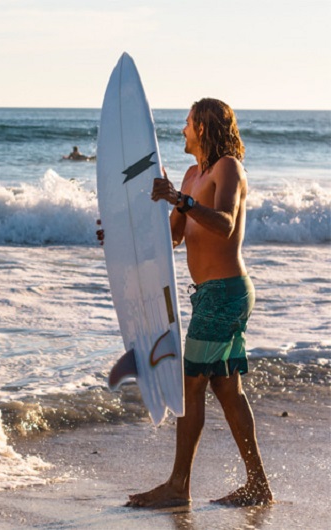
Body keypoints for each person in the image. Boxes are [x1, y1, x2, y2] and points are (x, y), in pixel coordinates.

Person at [100, 98, 273, 507]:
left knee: (190, 384)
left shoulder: (227, 168)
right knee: (227, 390)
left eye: (188, 122)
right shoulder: (192, 173)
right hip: (209, 296)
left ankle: (179, 487)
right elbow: (173, 237)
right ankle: (258, 484)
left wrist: (183, 200)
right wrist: (122, 239)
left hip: (226, 293)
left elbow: (225, 224)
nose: (183, 129)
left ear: (205, 126)